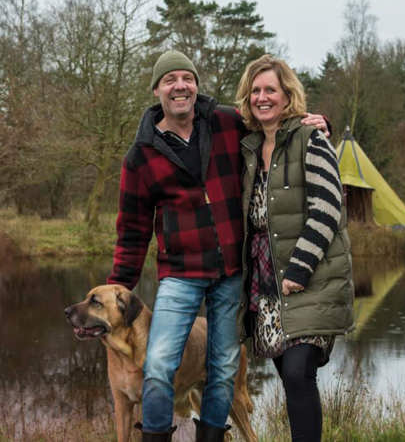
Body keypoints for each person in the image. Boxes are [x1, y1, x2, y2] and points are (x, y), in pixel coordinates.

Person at [107, 50, 326, 442]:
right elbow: (133, 230)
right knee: (157, 363)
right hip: (180, 273)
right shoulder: (141, 156)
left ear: (195, 85)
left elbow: (274, 123)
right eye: (170, 80)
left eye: (187, 78)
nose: (180, 86)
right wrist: (117, 290)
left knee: (222, 368)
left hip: (231, 271)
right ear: (156, 89)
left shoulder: (226, 122)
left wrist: (318, 124)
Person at [236, 54, 353, 442]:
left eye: (271, 89)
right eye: (255, 90)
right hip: (265, 285)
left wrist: (300, 269)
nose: (262, 97)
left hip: (309, 276)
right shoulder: (247, 148)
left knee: (299, 370)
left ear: (288, 96)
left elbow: (328, 204)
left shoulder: (310, 138)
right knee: (290, 377)